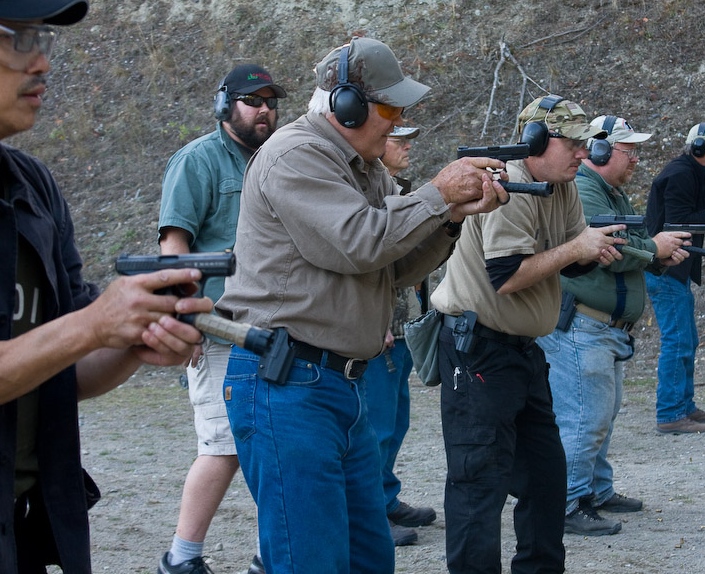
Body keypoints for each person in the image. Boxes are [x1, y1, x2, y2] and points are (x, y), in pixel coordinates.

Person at [0, 0, 212, 573]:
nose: (40, 62)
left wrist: (136, 337)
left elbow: (60, 370)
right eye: (15, 38)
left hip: (18, 538)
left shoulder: (33, 186)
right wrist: (92, 326)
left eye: (43, 40)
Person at [215, 36, 509, 574]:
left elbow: (393, 268)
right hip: (287, 382)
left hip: (337, 384)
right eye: (390, 109)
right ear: (346, 105)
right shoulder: (295, 155)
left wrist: (450, 218)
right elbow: (361, 241)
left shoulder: (366, 167)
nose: (399, 122)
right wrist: (438, 194)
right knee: (311, 562)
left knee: (370, 558)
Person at [430, 94, 630, 574]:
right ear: (536, 141)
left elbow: (570, 255)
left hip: (522, 351)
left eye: (586, 143)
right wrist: (577, 249)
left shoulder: (561, 185)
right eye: (574, 143)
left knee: (546, 479)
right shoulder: (509, 186)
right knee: (479, 484)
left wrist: (592, 251)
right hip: (478, 352)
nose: (584, 153)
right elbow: (508, 276)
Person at [157, 64, 285, 574]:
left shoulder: (278, 159)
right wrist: (184, 317)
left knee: (274, 442)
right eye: (253, 100)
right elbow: (174, 247)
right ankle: (181, 559)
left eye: (271, 101)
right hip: (217, 329)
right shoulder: (197, 161)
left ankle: (268, 555)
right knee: (222, 446)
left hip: (271, 326)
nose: (264, 109)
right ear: (224, 105)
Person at [536, 115, 689, 537]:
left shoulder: (611, 192)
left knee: (602, 414)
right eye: (628, 150)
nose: (635, 159)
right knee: (584, 418)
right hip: (583, 325)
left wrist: (656, 253)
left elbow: (631, 243)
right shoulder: (583, 189)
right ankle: (567, 503)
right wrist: (653, 248)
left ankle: (596, 491)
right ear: (600, 150)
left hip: (605, 329)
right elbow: (610, 247)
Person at [364, 125, 436, 548]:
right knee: (375, 428)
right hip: (380, 332)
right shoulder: (366, 194)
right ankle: (371, 513)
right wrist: (378, 322)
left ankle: (385, 498)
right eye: (398, 138)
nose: (408, 145)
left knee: (395, 422)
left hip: (402, 327)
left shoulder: (399, 189)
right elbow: (367, 260)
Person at [644, 121, 705, 434]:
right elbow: (676, 224)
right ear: (699, 147)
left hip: (676, 268)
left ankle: (684, 406)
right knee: (678, 341)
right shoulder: (680, 175)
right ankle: (671, 413)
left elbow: (695, 220)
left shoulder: (695, 173)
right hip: (665, 268)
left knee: (687, 339)